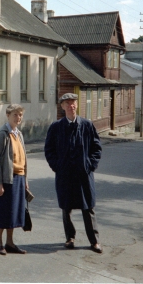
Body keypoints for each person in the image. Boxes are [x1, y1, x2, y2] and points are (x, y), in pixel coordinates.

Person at [44, 93, 103, 254]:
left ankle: (94, 241)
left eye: (74, 103)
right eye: (68, 103)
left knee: (88, 207)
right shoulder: (56, 127)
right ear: (62, 106)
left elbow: (96, 148)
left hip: (83, 175)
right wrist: (57, 166)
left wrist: (90, 165)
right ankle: (70, 238)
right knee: (66, 207)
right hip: (65, 175)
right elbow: (49, 150)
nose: (71, 106)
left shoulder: (87, 125)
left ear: (77, 105)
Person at [0, 103, 29, 255]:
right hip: (6, 179)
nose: (18, 118)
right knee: (2, 211)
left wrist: (25, 179)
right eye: (15, 115)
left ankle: (10, 243)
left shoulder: (18, 134)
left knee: (14, 212)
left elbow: (24, 158)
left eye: (20, 115)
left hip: (19, 178)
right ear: (8, 116)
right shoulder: (2, 134)